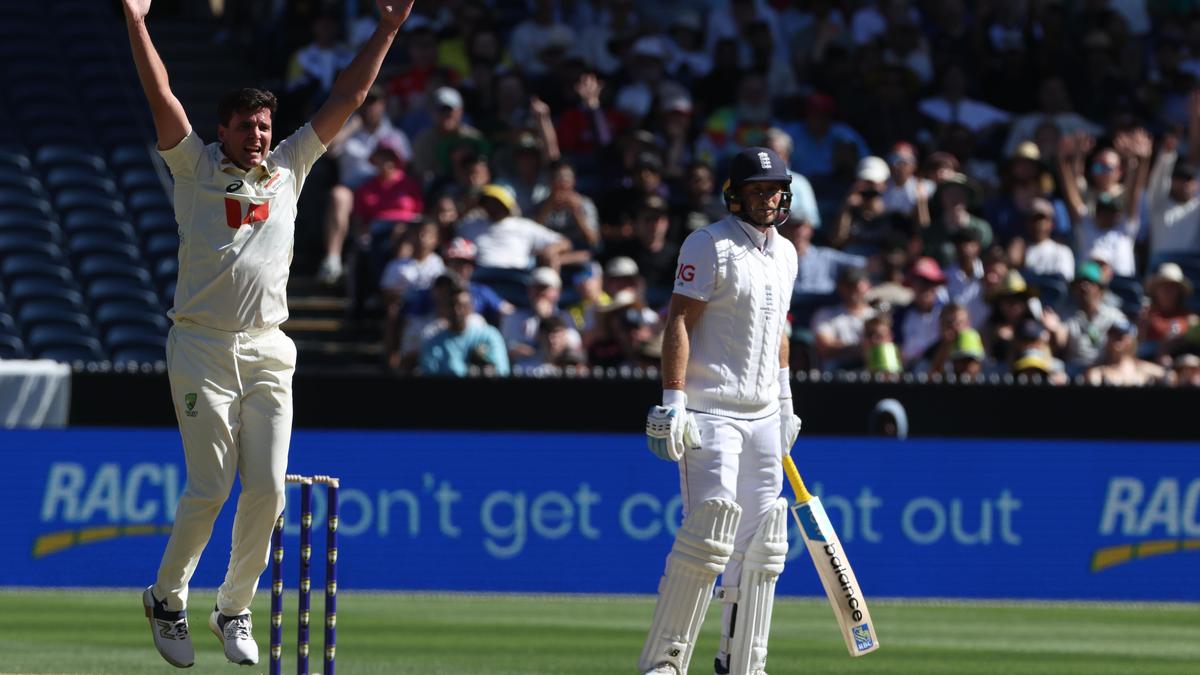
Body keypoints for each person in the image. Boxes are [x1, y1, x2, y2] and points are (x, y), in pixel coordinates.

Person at [124, 0, 416, 668]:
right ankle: (167, 598)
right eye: (247, 125)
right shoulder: (194, 167)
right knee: (210, 486)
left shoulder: (290, 167)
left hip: (268, 346)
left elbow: (348, 94)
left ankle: (233, 606)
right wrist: (138, 22)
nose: (259, 135)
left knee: (271, 489)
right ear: (222, 128)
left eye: (265, 125)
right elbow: (160, 92)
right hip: (200, 344)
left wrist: (388, 28)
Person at [640, 146, 799, 675]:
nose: (767, 198)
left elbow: (780, 332)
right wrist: (674, 402)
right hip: (711, 414)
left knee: (759, 552)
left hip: (762, 418)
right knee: (709, 537)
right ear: (734, 194)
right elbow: (679, 322)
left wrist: (785, 402)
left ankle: (739, 661)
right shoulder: (709, 244)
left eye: (774, 189)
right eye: (756, 189)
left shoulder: (788, 253)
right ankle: (666, 662)